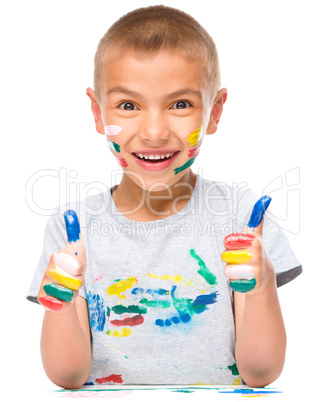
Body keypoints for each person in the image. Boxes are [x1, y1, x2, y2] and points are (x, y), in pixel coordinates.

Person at [27, 5, 302, 389]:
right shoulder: (72, 230)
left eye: (180, 104)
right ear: (96, 111)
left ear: (214, 112)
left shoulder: (241, 221)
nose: (154, 132)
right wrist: (61, 302)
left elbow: (261, 373)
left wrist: (261, 285)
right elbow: (67, 376)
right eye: (128, 105)